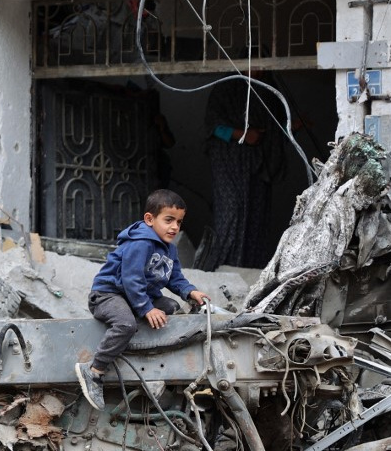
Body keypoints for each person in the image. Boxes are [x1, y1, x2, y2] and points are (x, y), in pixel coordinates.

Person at [75, 189, 209, 410]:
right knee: (126, 324)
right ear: (149, 219)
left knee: (171, 307)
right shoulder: (141, 243)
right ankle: (94, 371)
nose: (175, 227)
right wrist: (146, 308)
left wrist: (191, 292)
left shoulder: (169, 250)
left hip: (134, 297)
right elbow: (131, 278)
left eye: (179, 222)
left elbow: (174, 277)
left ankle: (149, 357)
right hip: (109, 295)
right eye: (168, 220)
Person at [202, 75, 286, 270]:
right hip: (229, 163)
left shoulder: (267, 91)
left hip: (257, 166)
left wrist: (289, 128)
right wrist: (242, 134)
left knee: (256, 218)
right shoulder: (226, 89)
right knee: (233, 212)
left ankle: (249, 269)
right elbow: (213, 126)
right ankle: (222, 268)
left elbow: (275, 126)